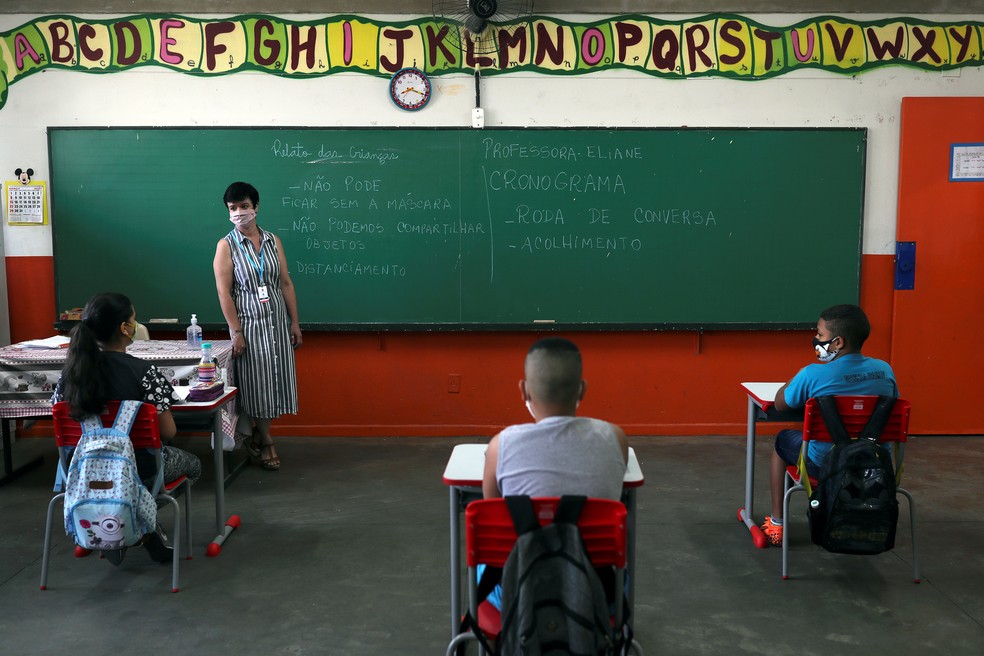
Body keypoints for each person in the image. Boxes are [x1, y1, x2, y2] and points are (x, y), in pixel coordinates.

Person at [52, 292, 201, 564]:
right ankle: (138, 523)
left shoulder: (70, 374)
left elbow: (62, 419)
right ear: (124, 328)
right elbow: (168, 433)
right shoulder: (144, 372)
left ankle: (112, 525)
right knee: (193, 466)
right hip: (138, 469)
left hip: (80, 472)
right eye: (133, 320)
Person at [480, 337, 629, 611]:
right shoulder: (615, 438)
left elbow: (494, 514)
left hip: (520, 590)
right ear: (582, 390)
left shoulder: (501, 445)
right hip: (596, 588)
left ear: (523, 390)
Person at [760, 304, 898, 547]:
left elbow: (781, 403)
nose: (816, 340)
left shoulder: (813, 374)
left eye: (820, 335)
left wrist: (798, 376)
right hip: (876, 464)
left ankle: (777, 523)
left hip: (824, 464)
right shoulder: (884, 370)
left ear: (838, 342)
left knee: (782, 440)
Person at [213, 181, 301, 471]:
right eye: (233, 208)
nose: (239, 212)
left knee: (274, 384)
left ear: (256, 207)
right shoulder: (226, 245)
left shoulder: (274, 241)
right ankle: (266, 441)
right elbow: (224, 292)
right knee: (256, 386)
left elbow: (285, 282)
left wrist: (295, 322)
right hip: (248, 326)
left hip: (276, 324)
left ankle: (256, 436)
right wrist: (236, 332)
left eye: (244, 206)